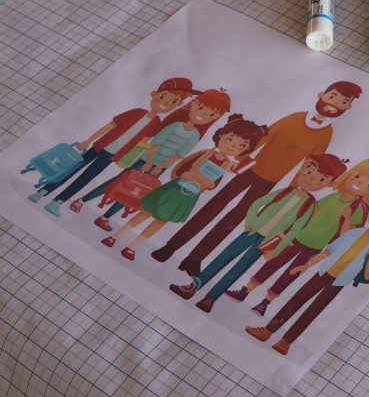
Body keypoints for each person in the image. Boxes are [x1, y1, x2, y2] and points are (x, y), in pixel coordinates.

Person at [151, 81, 362, 277]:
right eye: (333, 97)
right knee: (214, 206)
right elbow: (265, 137)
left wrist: (292, 190)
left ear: (348, 107)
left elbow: (310, 166)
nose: (335, 104)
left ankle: (195, 258)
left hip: (271, 181)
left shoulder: (326, 133)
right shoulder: (295, 117)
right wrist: (239, 159)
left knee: (235, 219)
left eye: (342, 102)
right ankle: (171, 246)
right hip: (250, 169)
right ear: (321, 95)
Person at [169, 154, 347, 313]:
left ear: (329, 184)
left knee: (240, 268)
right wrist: (250, 222)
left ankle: (211, 298)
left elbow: (295, 230)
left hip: (268, 242)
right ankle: (194, 286)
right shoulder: (285, 191)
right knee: (223, 258)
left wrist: (276, 250)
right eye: (309, 172)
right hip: (252, 231)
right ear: (304, 168)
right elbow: (257, 203)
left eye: (320, 179)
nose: (310, 179)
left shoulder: (310, 205)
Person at [245, 190, 369, 356]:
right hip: (324, 273)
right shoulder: (355, 232)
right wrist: (306, 265)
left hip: (340, 281)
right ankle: (268, 331)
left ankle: (285, 342)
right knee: (295, 301)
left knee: (313, 311)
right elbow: (329, 251)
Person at [226, 158, 369, 316]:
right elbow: (311, 210)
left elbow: (348, 237)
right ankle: (246, 290)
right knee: (273, 262)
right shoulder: (335, 196)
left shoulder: (360, 208)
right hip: (298, 235)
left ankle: (265, 303)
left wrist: (348, 218)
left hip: (316, 245)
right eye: (358, 177)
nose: (358, 183)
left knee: (292, 273)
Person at [99, 114, 268, 260]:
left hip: (188, 197)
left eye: (241, 146)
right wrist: (198, 178)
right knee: (146, 212)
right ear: (221, 135)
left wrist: (198, 178)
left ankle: (132, 247)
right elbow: (184, 171)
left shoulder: (226, 165)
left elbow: (210, 186)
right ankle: (115, 236)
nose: (232, 147)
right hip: (175, 188)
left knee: (160, 221)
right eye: (230, 139)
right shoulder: (206, 153)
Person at [29, 77, 198, 216]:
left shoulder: (156, 124)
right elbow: (110, 126)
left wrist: (127, 159)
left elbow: (142, 144)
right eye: (163, 98)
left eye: (172, 102)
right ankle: (41, 192)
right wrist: (88, 140)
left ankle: (57, 202)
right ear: (154, 94)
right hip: (98, 146)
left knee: (85, 178)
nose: (164, 104)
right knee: (70, 169)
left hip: (112, 156)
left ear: (176, 106)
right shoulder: (137, 112)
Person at [76, 88, 230, 229]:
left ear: (216, 117)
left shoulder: (195, 135)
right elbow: (154, 144)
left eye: (211, 115)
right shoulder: (175, 125)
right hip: (145, 161)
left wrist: (160, 166)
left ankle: (105, 217)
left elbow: (178, 155)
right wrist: (149, 162)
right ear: (194, 104)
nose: (203, 115)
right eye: (201, 109)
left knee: (136, 192)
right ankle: (81, 201)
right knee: (118, 182)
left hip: (160, 167)